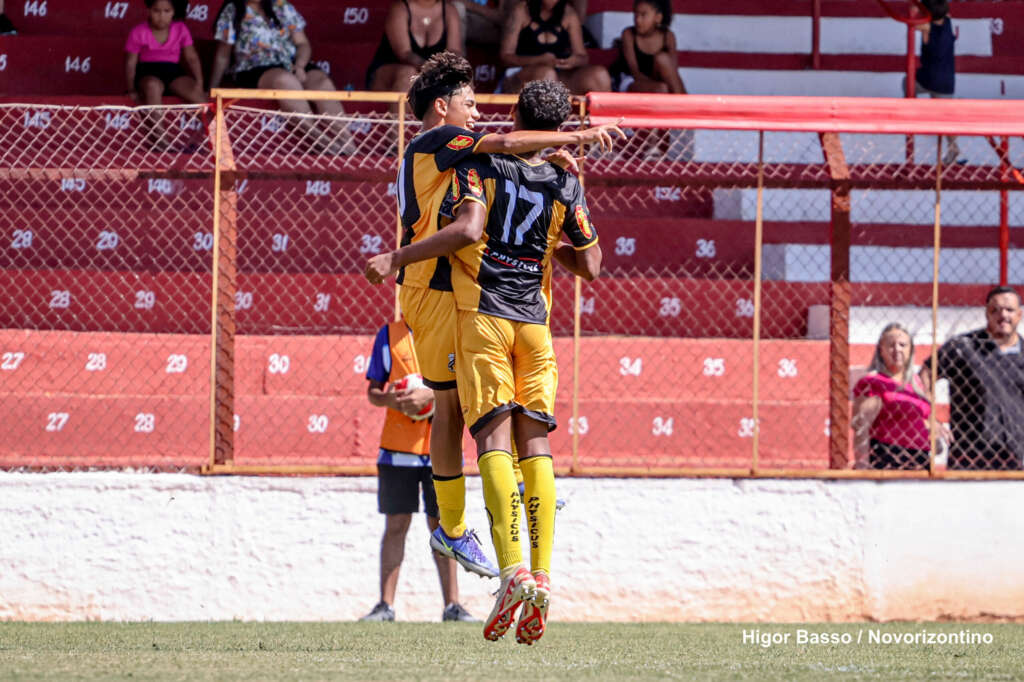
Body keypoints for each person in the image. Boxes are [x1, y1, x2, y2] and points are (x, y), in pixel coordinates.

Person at [363, 51, 621, 582]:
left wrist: (547, 153)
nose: (477, 112)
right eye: (469, 102)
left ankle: (488, 508)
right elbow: (502, 148)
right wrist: (573, 139)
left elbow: (505, 155)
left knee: (459, 402)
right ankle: (455, 527)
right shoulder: (435, 141)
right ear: (442, 107)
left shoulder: (455, 155)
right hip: (433, 285)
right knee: (453, 403)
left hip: (445, 286)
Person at [360, 318, 477, 623]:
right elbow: (373, 392)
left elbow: (468, 384)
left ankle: (453, 605)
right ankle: (385, 606)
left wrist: (434, 397)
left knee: (445, 526)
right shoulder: (389, 335)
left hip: (443, 450)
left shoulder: (452, 330)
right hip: (397, 451)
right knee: (396, 525)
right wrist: (393, 401)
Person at [209, 0, 352, 152]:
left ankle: (351, 148)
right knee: (285, 81)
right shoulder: (233, 10)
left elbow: (303, 44)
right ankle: (326, 145)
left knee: (323, 83)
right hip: (253, 68)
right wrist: (212, 88)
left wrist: (300, 66)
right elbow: (222, 56)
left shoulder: (282, 6)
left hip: (293, 63)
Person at [921, 286, 1024, 470]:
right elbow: (926, 374)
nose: (1003, 315)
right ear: (986, 314)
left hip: (1016, 456)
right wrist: (931, 416)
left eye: (1009, 310)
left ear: (1019, 315)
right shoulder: (963, 347)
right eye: (995, 310)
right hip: (969, 456)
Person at [852, 323, 932, 469]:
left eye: (902, 345)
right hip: (888, 455)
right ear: (881, 350)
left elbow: (921, 418)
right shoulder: (873, 381)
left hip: (920, 459)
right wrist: (862, 465)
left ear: (911, 350)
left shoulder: (916, 383)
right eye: (891, 345)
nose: (897, 349)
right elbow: (861, 427)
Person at [498, 0, 611, 94]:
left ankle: (605, 120)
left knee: (599, 75)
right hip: (520, 75)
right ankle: (545, 120)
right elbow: (505, 57)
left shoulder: (569, 13)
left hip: (558, 75)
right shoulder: (521, 10)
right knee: (547, 75)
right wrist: (539, 60)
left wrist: (572, 61)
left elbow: (582, 57)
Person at [366, 0, 463, 93]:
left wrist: (449, 69)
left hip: (433, 72)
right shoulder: (400, 8)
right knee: (408, 74)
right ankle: (399, 110)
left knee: (460, 74)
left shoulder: (450, 10)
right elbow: (404, 54)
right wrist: (432, 68)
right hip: (389, 74)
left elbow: (454, 51)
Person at [909, 0, 964, 165]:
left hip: (928, 78)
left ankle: (912, 114)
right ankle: (953, 147)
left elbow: (913, 24)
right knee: (946, 117)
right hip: (946, 80)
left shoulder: (927, 27)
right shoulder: (947, 21)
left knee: (908, 82)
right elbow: (942, 10)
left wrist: (915, 9)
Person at [124, 0, 206, 106]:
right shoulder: (138, 31)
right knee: (152, 87)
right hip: (147, 72)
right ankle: (158, 123)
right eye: (156, 11)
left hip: (174, 72)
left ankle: (214, 123)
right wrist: (131, 90)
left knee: (196, 95)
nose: (161, 16)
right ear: (148, 11)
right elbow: (130, 63)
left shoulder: (180, 29)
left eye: (167, 11)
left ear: (173, 12)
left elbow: (192, 57)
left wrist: (199, 83)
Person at [608, 0, 684, 95]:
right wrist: (657, 85)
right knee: (661, 89)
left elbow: (673, 72)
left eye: (643, 15)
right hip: (630, 80)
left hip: (658, 80)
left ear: (658, 18)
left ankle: (685, 104)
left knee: (663, 59)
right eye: (635, 15)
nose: (638, 20)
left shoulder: (668, 36)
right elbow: (634, 72)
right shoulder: (629, 34)